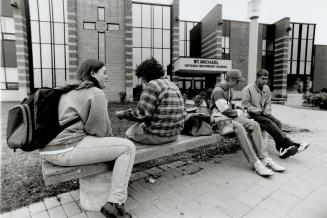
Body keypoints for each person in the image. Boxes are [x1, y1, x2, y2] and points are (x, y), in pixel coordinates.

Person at [39, 59, 135, 218]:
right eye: (104, 72)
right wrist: (112, 143)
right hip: (66, 149)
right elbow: (100, 132)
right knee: (127, 148)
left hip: (49, 149)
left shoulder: (69, 90)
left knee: (121, 147)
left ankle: (114, 203)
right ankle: (115, 205)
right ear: (92, 73)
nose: (107, 77)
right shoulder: (95, 93)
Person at [210, 69, 285, 177]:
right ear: (230, 79)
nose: (238, 84)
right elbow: (226, 110)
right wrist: (240, 113)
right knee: (239, 128)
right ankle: (256, 163)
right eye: (237, 81)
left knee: (254, 124)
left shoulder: (229, 89)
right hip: (217, 122)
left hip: (227, 117)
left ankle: (264, 158)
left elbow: (229, 105)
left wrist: (237, 106)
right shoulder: (218, 90)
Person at [115, 57, 185, 144]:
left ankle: (136, 155)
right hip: (175, 134)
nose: (141, 81)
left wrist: (123, 114)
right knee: (138, 127)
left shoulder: (152, 85)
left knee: (129, 133)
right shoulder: (173, 84)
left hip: (158, 136)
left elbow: (142, 115)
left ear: (145, 75)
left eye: (141, 78)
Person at [242, 69, 309, 159]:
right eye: (263, 79)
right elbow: (245, 106)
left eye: (266, 79)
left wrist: (267, 110)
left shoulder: (266, 88)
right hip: (252, 114)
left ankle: (281, 148)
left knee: (278, 123)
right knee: (270, 123)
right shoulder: (248, 89)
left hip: (263, 114)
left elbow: (268, 102)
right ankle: (291, 144)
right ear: (257, 78)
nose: (265, 81)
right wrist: (259, 111)